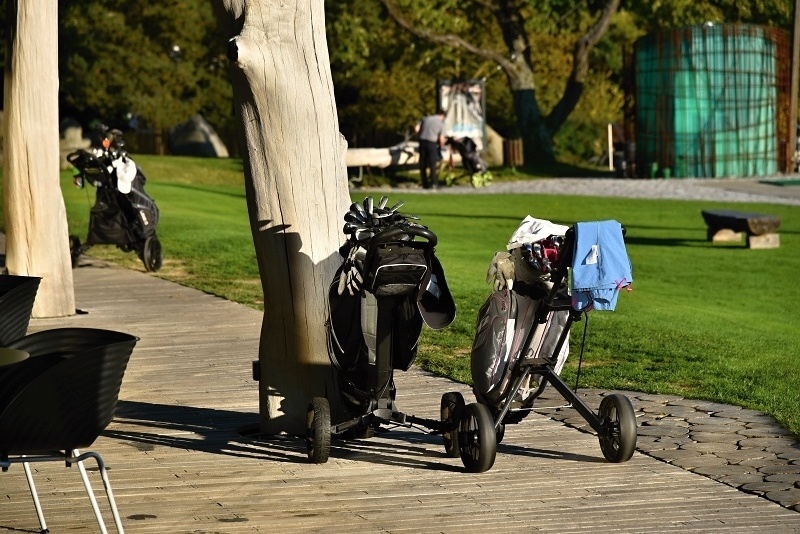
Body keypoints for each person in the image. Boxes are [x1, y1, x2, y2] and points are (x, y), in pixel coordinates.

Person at [414, 109, 447, 189]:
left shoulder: (426, 118)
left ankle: (424, 183)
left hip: (422, 142)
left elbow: (416, 128)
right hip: (431, 143)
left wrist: (418, 136)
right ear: (442, 116)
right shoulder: (440, 123)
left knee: (423, 163)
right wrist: (442, 146)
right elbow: (441, 138)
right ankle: (433, 183)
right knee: (432, 163)